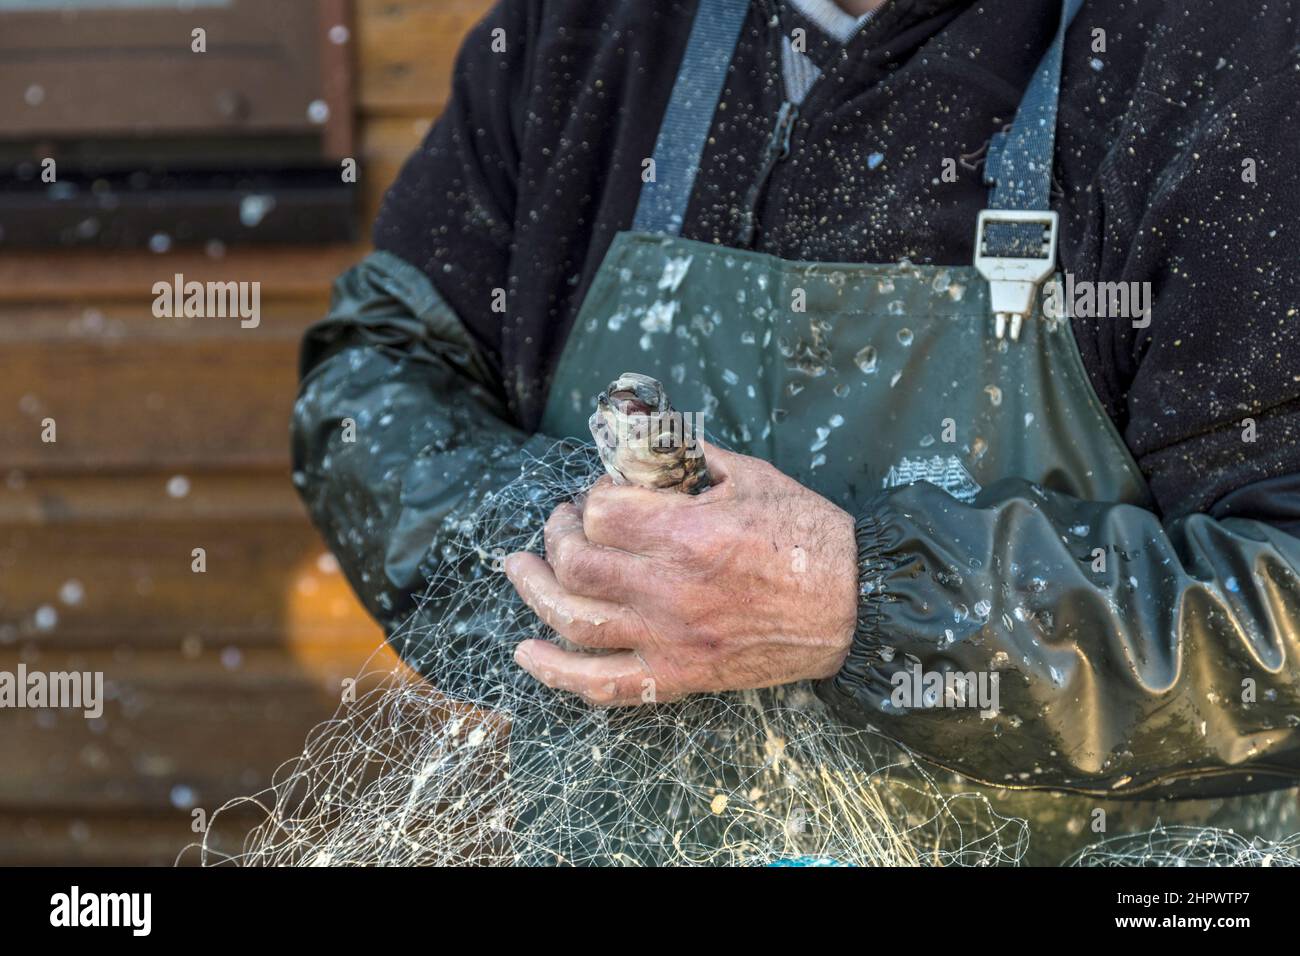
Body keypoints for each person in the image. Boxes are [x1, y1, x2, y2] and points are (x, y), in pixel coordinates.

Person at [292, 0, 1300, 816]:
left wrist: (864, 602)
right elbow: (373, 377)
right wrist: (591, 550)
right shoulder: (582, 33)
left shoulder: (1225, 55)